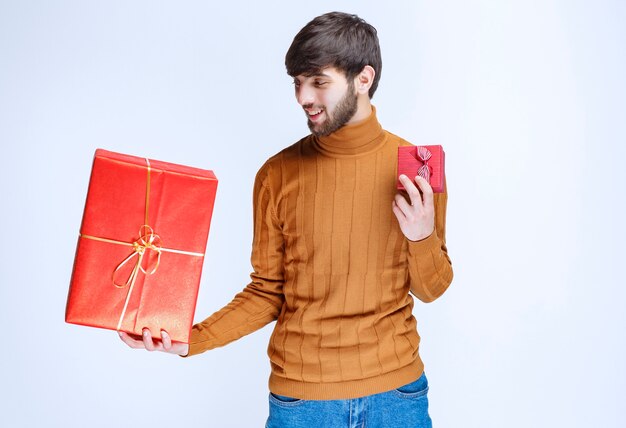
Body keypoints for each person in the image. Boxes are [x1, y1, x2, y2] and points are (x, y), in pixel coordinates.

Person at [120, 11, 453, 427]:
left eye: (319, 81)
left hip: (397, 398)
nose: (303, 97)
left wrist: (421, 238)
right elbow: (267, 291)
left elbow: (432, 288)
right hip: (302, 402)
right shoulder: (276, 175)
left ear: (363, 79)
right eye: (298, 82)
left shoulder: (415, 170)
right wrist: (193, 338)